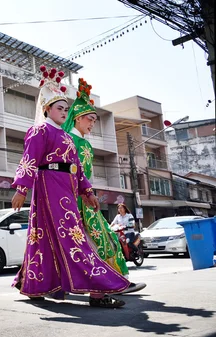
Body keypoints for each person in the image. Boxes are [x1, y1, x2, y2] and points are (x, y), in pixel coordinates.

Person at [10, 66, 130, 308]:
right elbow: (29, 159)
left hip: (66, 189)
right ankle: (97, 289)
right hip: (47, 188)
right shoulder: (39, 131)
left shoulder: (67, 138)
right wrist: (22, 189)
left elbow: (78, 169)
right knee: (69, 237)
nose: (64, 112)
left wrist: (87, 192)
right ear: (46, 109)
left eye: (66, 108)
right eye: (59, 108)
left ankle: (36, 285)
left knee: (48, 237)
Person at [62, 78, 146, 294]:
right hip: (75, 201)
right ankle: (107, 284)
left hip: (86, 197)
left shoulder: (84, 142)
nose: (92, 124)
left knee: (103, 239)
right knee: (98, 240)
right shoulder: (68, 141)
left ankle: (111, 283)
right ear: (78, 118)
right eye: (90, 119)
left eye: (95, 120)